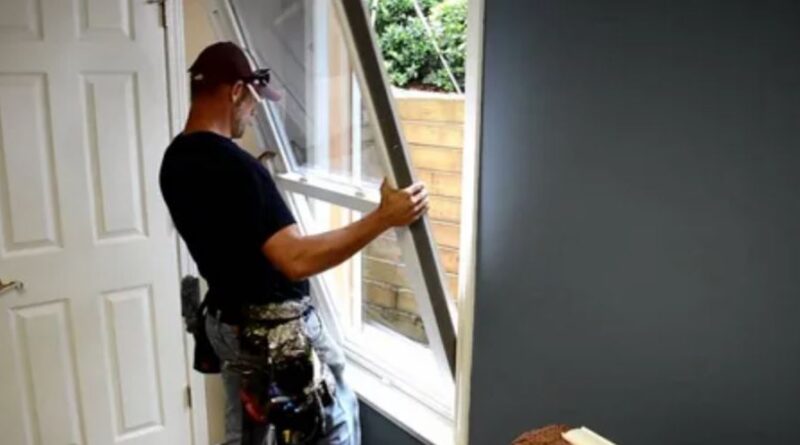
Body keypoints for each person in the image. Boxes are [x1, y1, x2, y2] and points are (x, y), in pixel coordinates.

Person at [159, 42, 429, 445]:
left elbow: (228, 229)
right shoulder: (239, 170)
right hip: (273, 333)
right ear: (235, 91)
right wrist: (383, 218)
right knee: (335, 423)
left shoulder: (175, 160)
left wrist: (260, 191)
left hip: (226, 323)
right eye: (252, 101)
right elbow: (296, 260)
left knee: (248, 434)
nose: (254, 112)